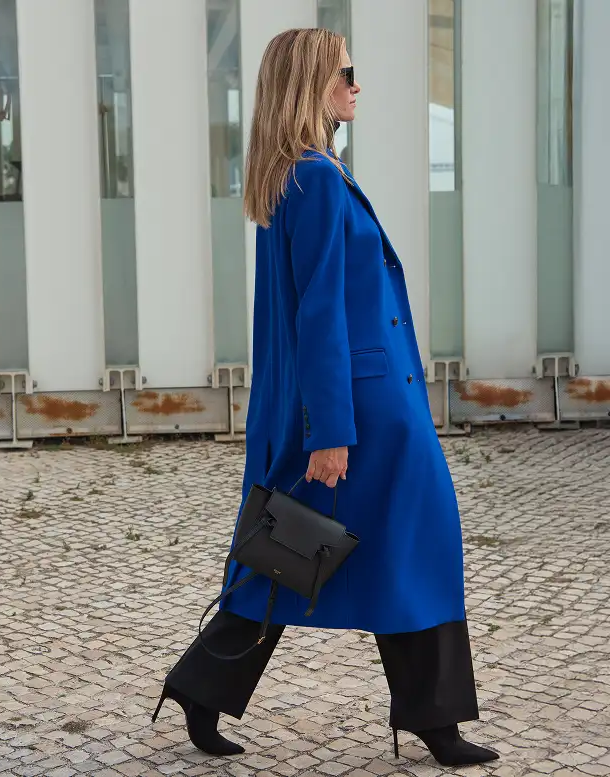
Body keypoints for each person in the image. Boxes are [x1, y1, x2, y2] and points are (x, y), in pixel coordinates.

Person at [152, 28, 499, 768]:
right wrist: (331, 430)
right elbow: (318, 312)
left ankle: (205, 686)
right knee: (363, 543)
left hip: (363, 402)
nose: (356, 84)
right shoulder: (312, 178)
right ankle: (431, 721)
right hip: (364, 410)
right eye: (346, 72)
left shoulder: (306, 173)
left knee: (327, 545)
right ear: (313, 83)